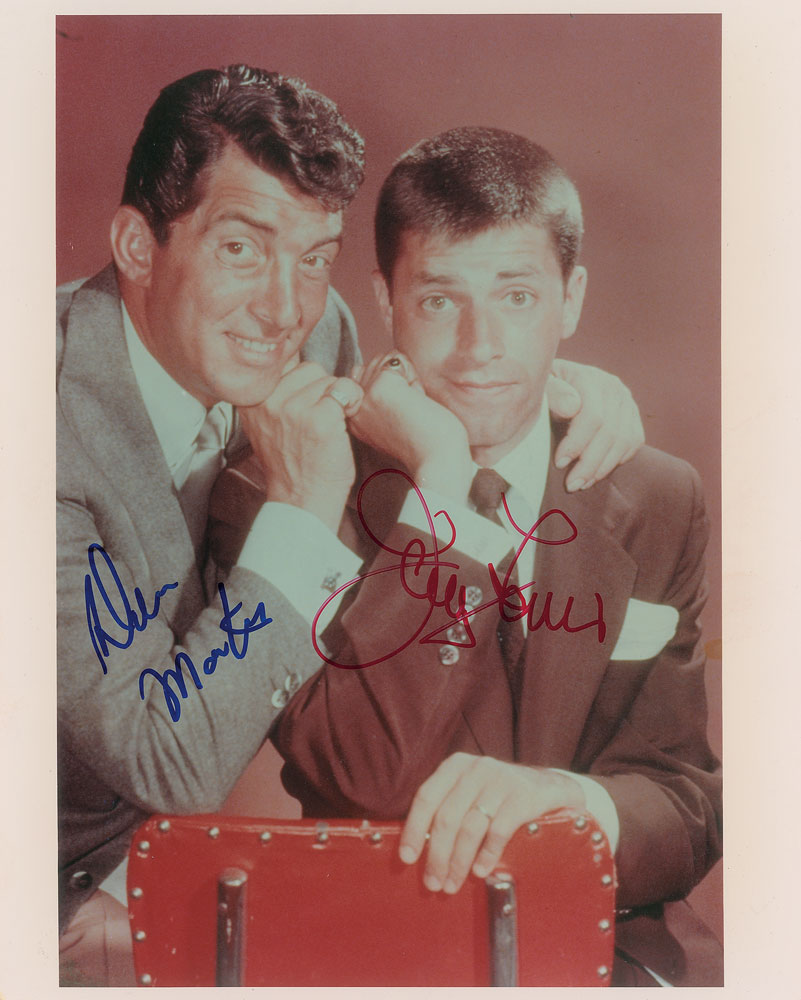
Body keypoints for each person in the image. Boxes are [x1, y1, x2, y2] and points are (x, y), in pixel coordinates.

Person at [57, 66, 642, 986]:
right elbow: (164, 760)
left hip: (175, 862)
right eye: (241, 248)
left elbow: (394, 390)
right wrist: (299, 508)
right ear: (136, 244)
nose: (284, 309)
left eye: (313, 256)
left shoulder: (312, 329)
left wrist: (563, 391)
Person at [262, 127, 722, 986]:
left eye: (516, 297)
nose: (480, 347)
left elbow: (685, 800)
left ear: (570, 300)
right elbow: (361, 773)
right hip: (378, 947)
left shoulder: (658, 497)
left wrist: (569, 802)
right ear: (385, 301)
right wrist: (442, 478)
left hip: (598, 945)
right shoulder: (296, 487)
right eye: (440, 300)